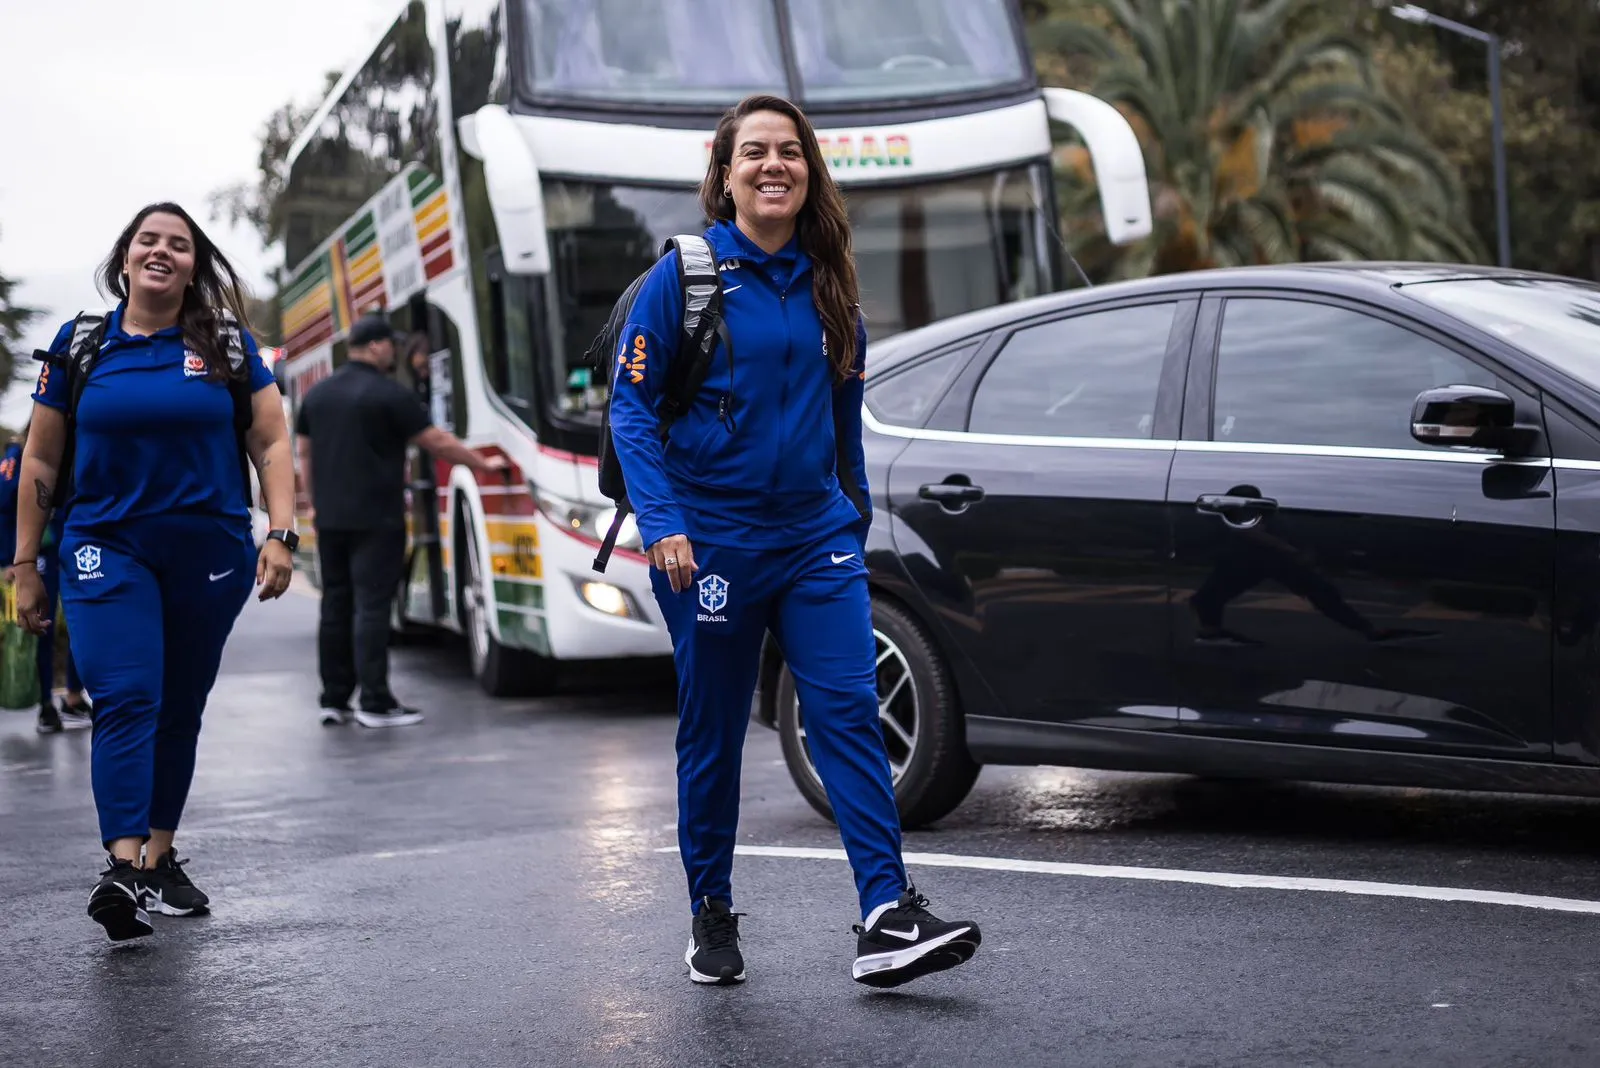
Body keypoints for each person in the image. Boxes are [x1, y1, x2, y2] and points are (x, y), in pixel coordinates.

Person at [608, 93, 981, 989]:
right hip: (711, 546)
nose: (774, 166)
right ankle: (711, 912)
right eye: (756, 154)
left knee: (847, 712)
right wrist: (663, 523)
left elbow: (844, 419)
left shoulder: (830, 283)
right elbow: (630, 406)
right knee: (713, 733)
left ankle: (886, 915)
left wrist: (849, 518)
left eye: (791, 153)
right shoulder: (688, 277)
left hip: (816, 539)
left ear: (809, 171)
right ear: (726, 174)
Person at [11, 201, 298, 943]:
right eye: (149, 239)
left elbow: (270, 441)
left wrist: (281, 534)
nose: (162, 251)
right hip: (104, 545)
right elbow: (40, 459)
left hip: (208, 550)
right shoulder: (81, 345)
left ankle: (160, 857)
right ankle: (124, 866)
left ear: (194, 265)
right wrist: (24, 565)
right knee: (127, 694)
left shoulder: (226, 344)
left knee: (180, 703)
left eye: (179, 243)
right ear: (127, 255)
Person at [293, 313, 504, 728]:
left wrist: (315, 503)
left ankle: (334, 699)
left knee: (335, 606)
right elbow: (436, 441)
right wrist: (483, 463)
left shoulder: (316, 396)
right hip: (377, 518)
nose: (395, 351)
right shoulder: (389, 394)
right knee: (372, 607)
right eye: (390, 343)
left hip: (331, 519)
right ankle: (375, 700)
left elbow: (304, 453)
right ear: (375, 346)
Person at [0, 421, 91, 734]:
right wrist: (12, 559)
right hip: (41, 550)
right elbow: (5, 505)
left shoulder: (79, 444)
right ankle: (46, 705)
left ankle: (75, 697)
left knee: (84, 623)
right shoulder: (19, 456)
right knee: (42, 626)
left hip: (76, 544)